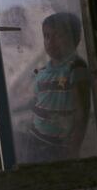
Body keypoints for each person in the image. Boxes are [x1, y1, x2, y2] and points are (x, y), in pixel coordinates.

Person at [25, 12, 91, 163]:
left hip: (59, 146)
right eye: (46, 36)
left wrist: (74, 148)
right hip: (36, 139)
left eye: (58, 35)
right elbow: (36, 103)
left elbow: (82, 112)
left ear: (76, 39)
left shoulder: (75, 68)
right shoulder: (41, 73)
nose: (50, 41)